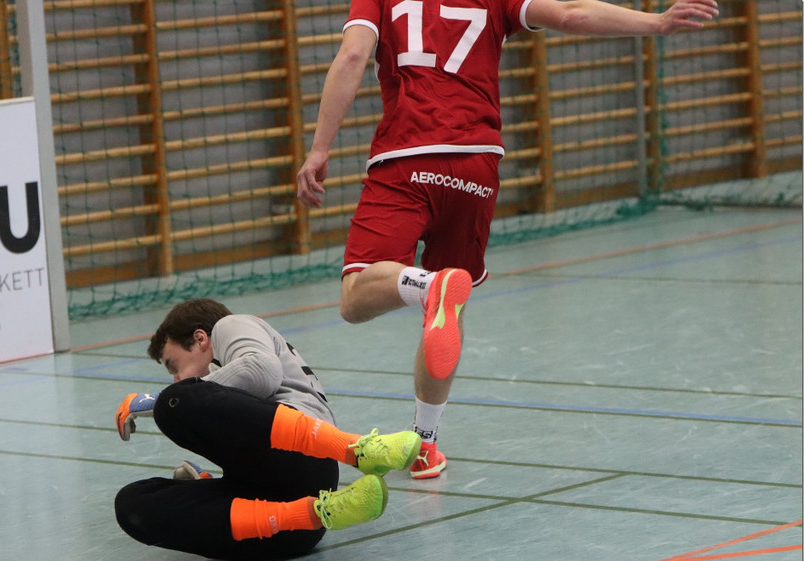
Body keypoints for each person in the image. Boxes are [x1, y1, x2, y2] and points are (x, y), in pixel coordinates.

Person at [296, 0, 719, 479]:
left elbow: (353, 56)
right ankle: (426, 442)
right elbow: (572, 13)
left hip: (408, 157)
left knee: (355, 297)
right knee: (449, 312)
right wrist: (657, 22)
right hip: (477, 165)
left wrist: (320, 148)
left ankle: (426, 287)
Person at [113, 298, 422, 561]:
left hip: (307, 456)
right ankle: (321, 511)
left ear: (200, 338)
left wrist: (158, 401)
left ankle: (356, 449)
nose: (176, 377)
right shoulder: (220, 394)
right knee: (132, 505)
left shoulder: (229, 326)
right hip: (292, 530)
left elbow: (262, 371)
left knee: (175, 403)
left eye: (174, 365)